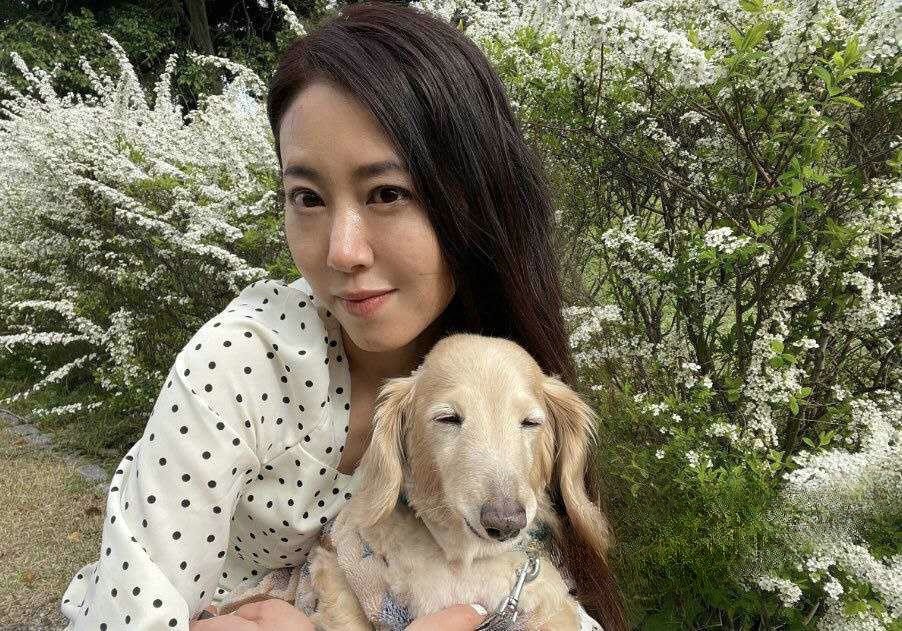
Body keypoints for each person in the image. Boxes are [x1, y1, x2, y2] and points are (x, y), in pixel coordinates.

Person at [60, 2, 627, 630]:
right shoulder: (238, 367)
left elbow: (533, 591)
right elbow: (129, 605)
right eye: (307, 197)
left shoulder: (498, 372)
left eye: (387, 193)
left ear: (474, 201)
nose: (342, 252)